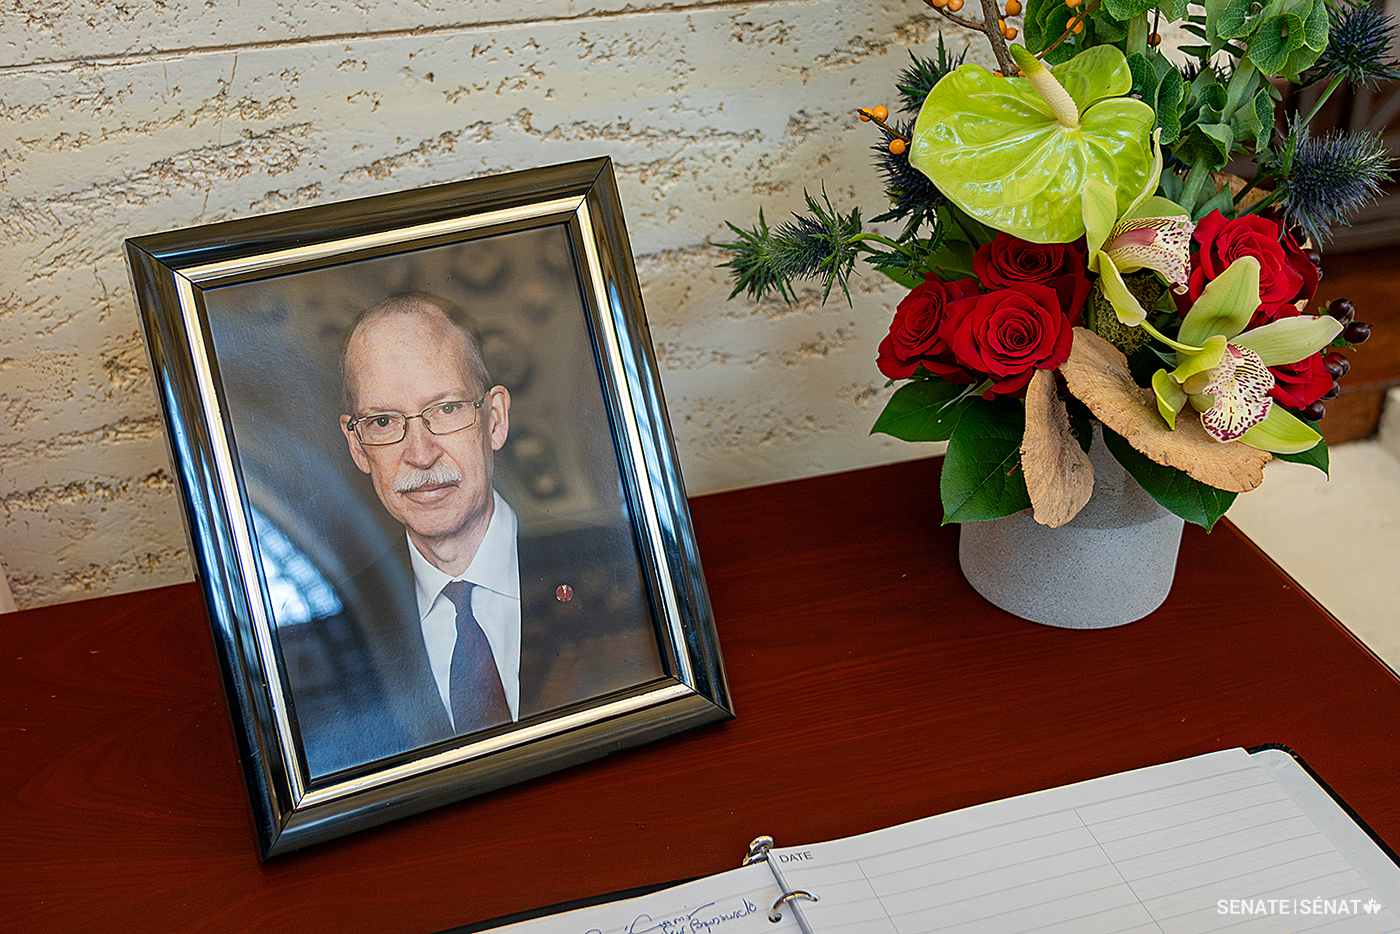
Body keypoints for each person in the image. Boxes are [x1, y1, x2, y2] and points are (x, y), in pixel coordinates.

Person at [280, 292, 664, 777]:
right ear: (358, 446)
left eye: (445, 410)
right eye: (383, 421)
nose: (420, 454)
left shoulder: (626, 568)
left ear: (495, 419)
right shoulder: (335, 637)